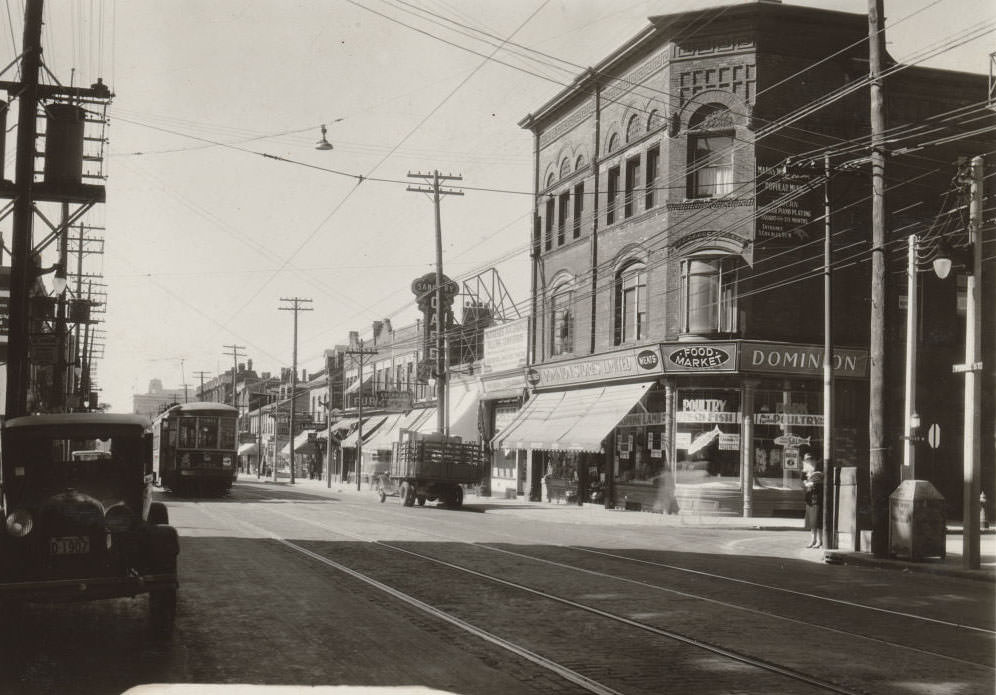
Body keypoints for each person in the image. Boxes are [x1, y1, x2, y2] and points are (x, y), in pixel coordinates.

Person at [802, 453, 825, 548]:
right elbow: (803, 479)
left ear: (815, 461)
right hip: (809, 497)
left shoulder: (819, 470)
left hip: (817, 496)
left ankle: (819, 541)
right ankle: (812, 540)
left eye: (811, 460)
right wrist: (806, 483)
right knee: (812, 521)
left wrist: (815, 483)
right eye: (807, 460)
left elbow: (823, 480)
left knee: (818, 520)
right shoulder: (805, 471)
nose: (810, 462)